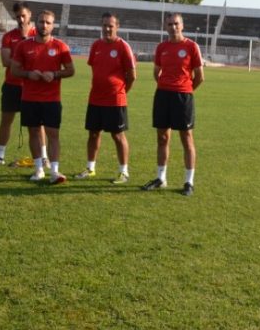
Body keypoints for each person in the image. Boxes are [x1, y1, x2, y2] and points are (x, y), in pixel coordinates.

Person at [142, 12, 204, 196]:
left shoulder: (191, 46)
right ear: (165, 27)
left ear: (182, 25)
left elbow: (200, 77)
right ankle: (161, 178)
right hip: (162, 95)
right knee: (162, 138)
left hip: (183, 96)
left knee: (186, 137)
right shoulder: (162, 47)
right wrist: (165, 85)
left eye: (176, 24)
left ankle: (189, 182)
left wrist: (186, 90)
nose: (173, 27)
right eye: (169, 24)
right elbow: (156, 72)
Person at [11, 10, 75, 184]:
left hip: (52, 99)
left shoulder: (60, 46)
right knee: (33, 132)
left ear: (53, 26)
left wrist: (55, 74)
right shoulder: (23, 46)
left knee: (53, 134)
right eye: (41, 22)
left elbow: (71, 70)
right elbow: (14, 70)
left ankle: (54, 171)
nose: (44, 25)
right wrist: (28, 74)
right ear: (36, 23)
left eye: (48, 22)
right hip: (29, 98)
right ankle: (39, 169)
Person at [0, 2, 50, 168]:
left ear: (30, 14)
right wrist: (28, 60)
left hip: (33, 87)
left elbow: (43, 60)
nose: (21, 19)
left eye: (23, 15)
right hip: (12, 85)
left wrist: (22, 61)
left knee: (37, 125)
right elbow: (5, 61)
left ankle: (44, 157)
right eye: (18, 16)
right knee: (6, 120)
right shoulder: (9, 36)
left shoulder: (39, 34)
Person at [76, 12, 136, 184]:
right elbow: (95, 70)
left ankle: (123, 172)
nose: (107, 29)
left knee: (118, 136)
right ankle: (90, 168)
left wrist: (121, 92)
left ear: (117, 27)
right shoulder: (96, 45)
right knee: (93, 134)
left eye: (111, 26)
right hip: (95, 98)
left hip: (115, 100)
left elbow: (132, 76)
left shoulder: (123, 46)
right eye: (104, 25)